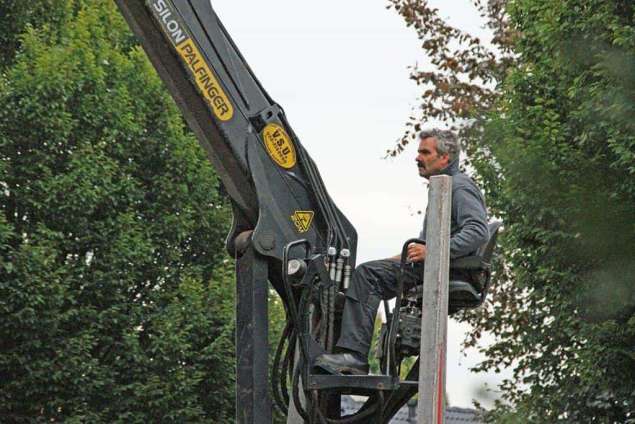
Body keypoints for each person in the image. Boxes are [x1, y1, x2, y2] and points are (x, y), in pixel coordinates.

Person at [315, 129, 489, 375]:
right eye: (419, 152)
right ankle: (350, 347)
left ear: (445, 158)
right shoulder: (441, 189)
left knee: (368, 276)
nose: (417, 158)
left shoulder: (459, 187)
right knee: (366, 272)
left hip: (440, 270)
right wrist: (389, 260)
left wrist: (433, 251)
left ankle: (353, 357)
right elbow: (420, 246)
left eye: (425, 152)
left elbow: (477, 231)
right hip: (431, 265)